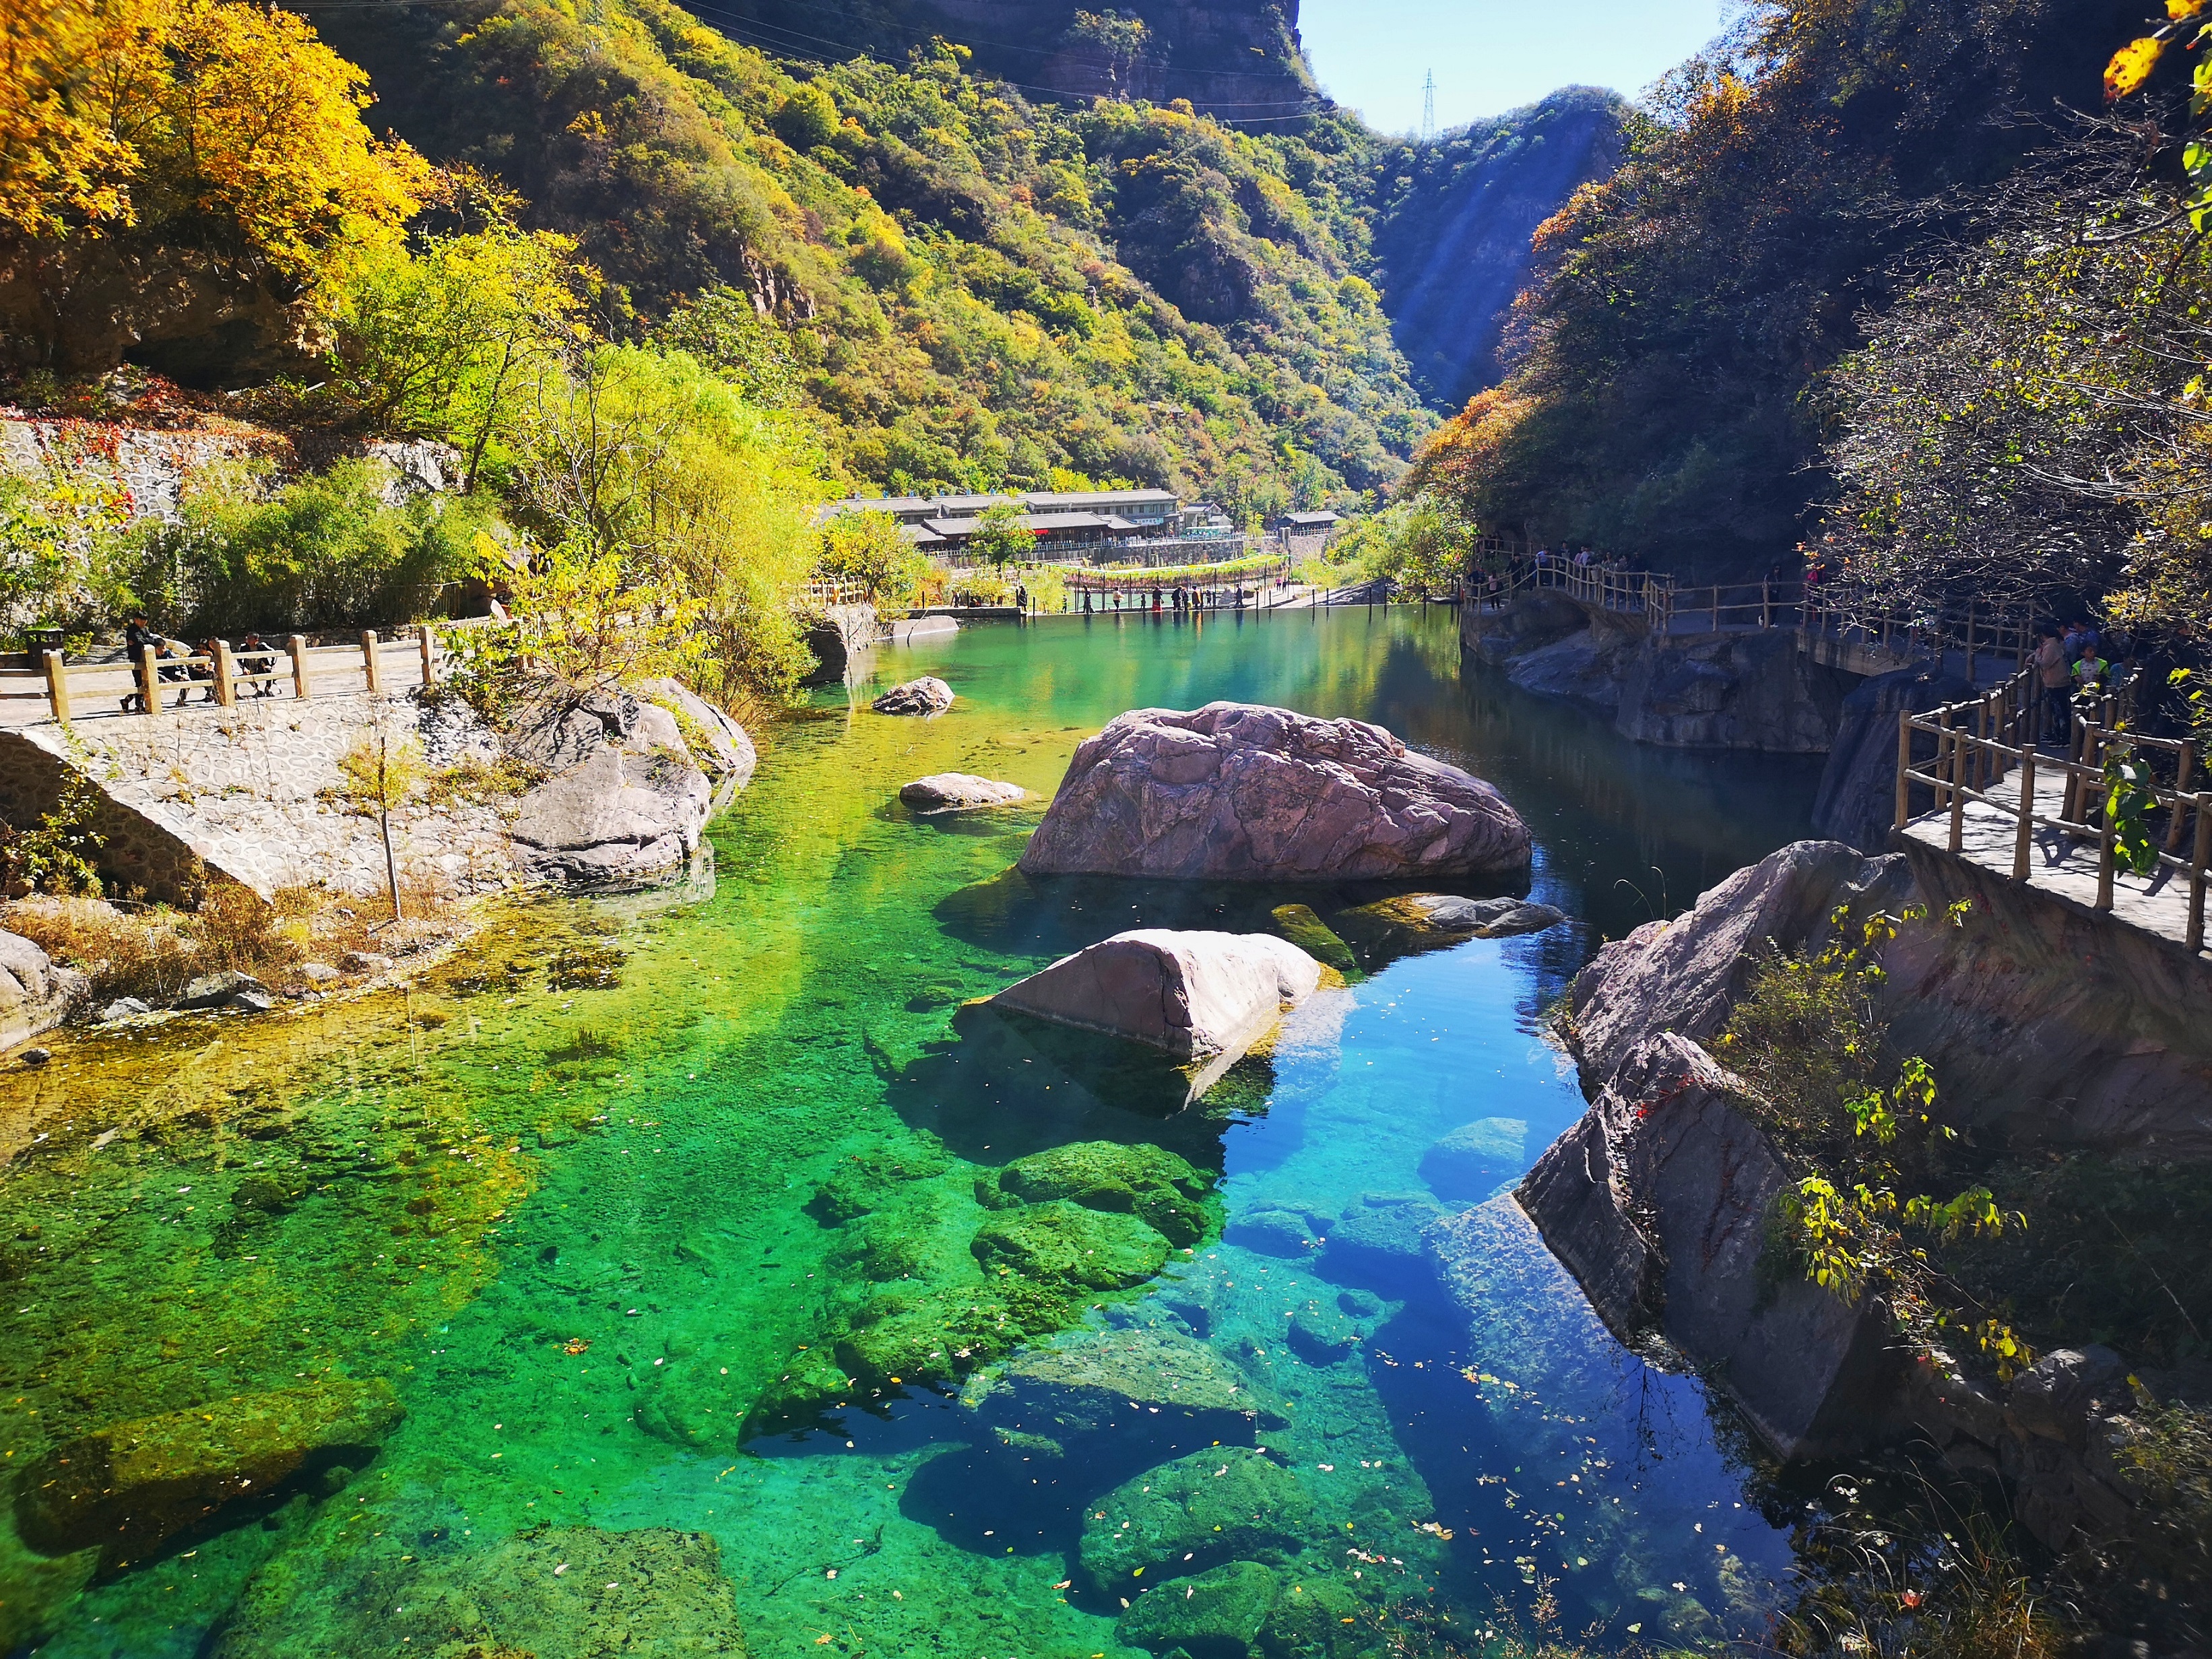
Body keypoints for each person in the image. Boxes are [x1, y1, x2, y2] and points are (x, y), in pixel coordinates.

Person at [2034, 622, 2070, 746]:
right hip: (2062, 680)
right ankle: (2061, 735)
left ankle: (2063, 738)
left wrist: (2037, 655)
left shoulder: (2050, 646)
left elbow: (2045, 663)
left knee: (2059, 711)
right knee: (2062, 710)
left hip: (2055, 682)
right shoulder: (2059, 642)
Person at [237, 631, 278, 696]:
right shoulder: (243, 648)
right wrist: (244, 668)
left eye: (250, 639)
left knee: (269, 671)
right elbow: (239, 659)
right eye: (247, 638)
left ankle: (268, 689)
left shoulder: (262, 646)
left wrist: (271, 665)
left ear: (256, 640)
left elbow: (274, 653)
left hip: (261, 666)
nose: (248, 640)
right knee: (247, 675)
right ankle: (258, 690)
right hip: (250, 667)